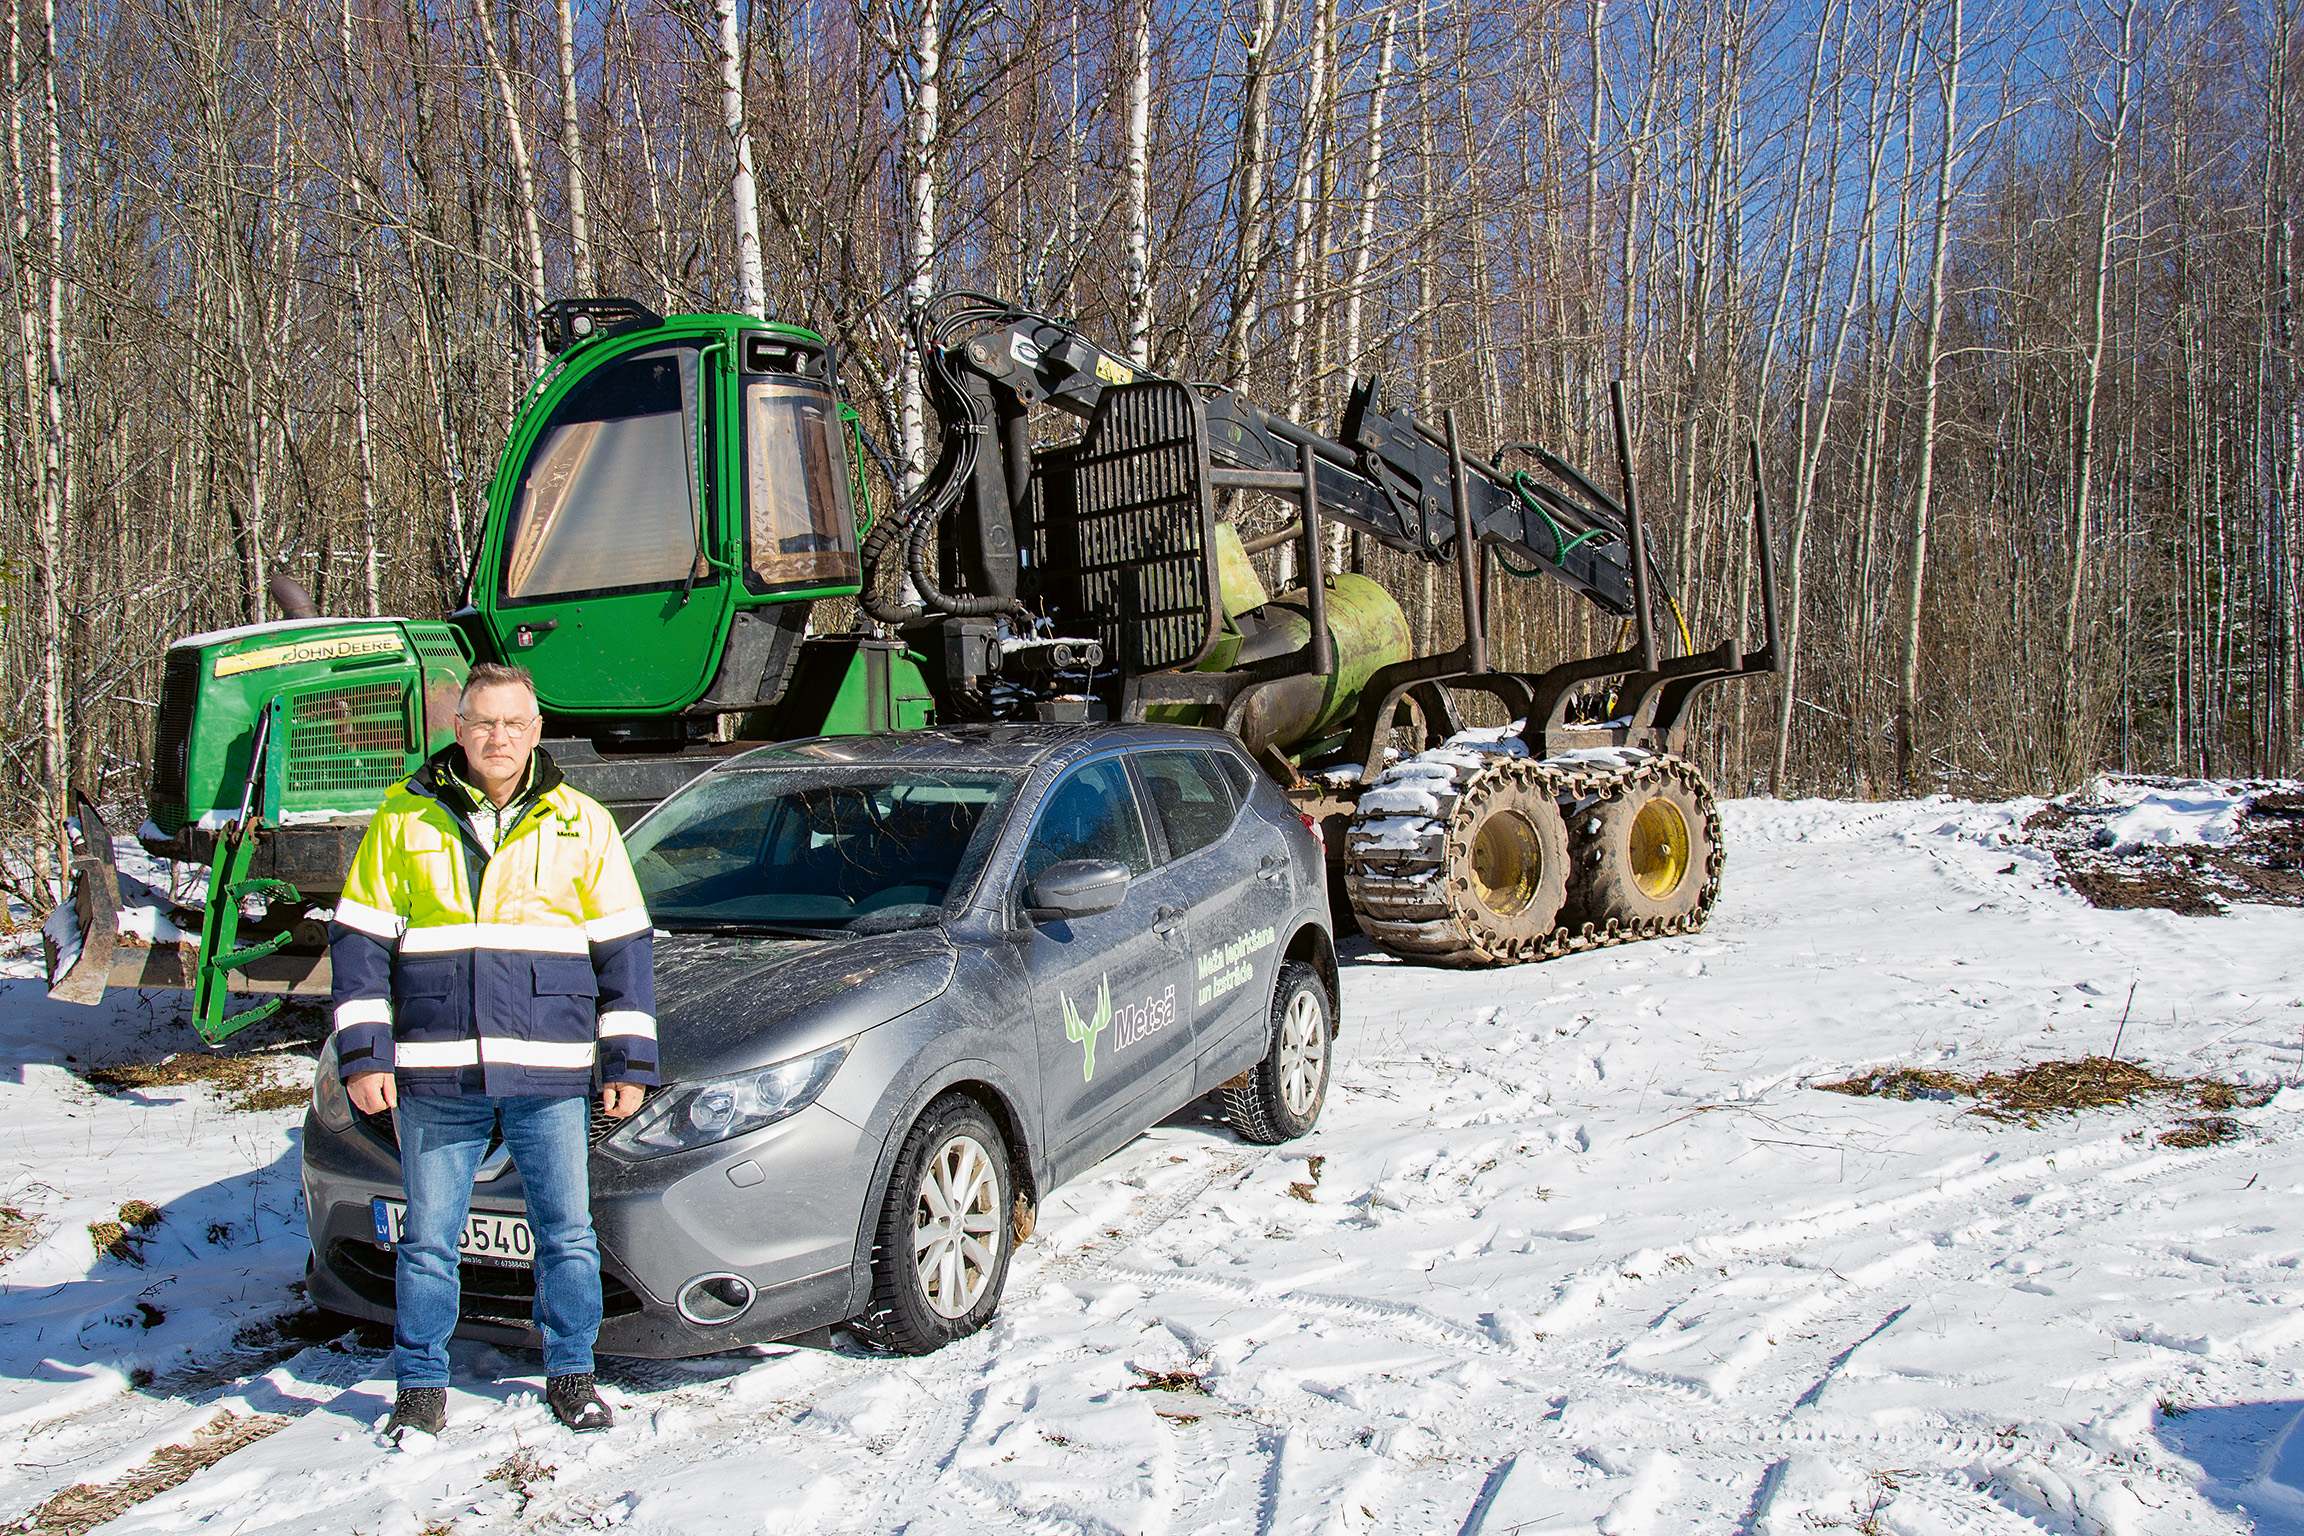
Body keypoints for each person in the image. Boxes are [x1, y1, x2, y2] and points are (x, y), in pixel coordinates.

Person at [329, 661, 658, 1440]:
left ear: (537, 731)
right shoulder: (405, 816)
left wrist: (630, 1063)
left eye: (513, 723)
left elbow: (624, 952)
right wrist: (366, 1056)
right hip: (437, 1073)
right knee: (429, 1242)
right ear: (459, 729)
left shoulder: (582, 821)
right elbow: (360, 943)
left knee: (567, 1235)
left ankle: (572, 1373)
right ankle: (419, 1386)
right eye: (483, 722)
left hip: (549, 1073)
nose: (498, 738)